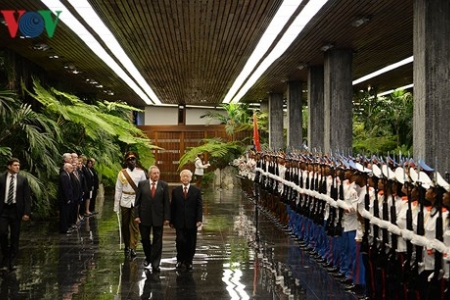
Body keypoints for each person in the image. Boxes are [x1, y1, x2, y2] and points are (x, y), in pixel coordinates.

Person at [134, 166, 170, 272]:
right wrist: (136, 215)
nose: (156, 175)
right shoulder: (142, 184)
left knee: (157, 240)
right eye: (154, 173)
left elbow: (166, 203)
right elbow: (137, 202)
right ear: (149, 174)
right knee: (145, 239)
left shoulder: (163, 185)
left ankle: (155, 263)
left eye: (158, 173)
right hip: (144, 217)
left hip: (158, 217)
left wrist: (167, 217)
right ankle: (148, 257)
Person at [0, 158, 32, 271]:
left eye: (18, 165)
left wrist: (26, 212)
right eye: (15, 165)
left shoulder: (22, 179)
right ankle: (5, 256)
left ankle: (12, 261)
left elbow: (26, 197)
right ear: (9, 166)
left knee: (15, 236)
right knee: (2, 233)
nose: (17, 167)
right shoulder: (2, 178)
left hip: (16, 211)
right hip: (3, 210)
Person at [114, 151, 147, 258]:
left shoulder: (141, 173)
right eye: (129, 160)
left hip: (136, 201)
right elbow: (118, 189)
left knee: (135, 225)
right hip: (125, 200)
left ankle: (133, 247)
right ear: (126, 162)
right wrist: (116, 205)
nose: (131, 161)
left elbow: (144, 188)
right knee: (124, 225)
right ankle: (127, 245)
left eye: (133, 159)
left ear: (136, 161)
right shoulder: (122, 173)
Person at [170, 169, 203, 271]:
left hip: (192, 221)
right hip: (179, 221)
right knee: (179, 240)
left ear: (190, 178)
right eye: (183, 176)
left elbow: (199, 206)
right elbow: (173, 207)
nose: (185, 178)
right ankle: (180, 260)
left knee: (191, 242)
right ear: (180, 178)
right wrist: (171, 220)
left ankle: (188, 261)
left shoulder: (196, 191)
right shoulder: (175, 191)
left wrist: (199, 219)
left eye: (187, 176)